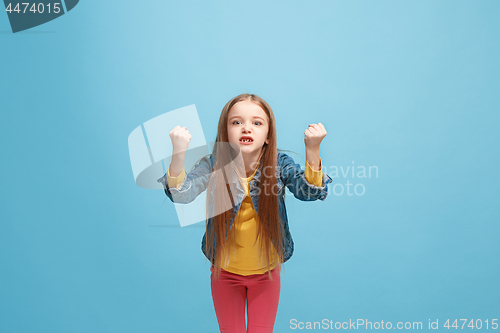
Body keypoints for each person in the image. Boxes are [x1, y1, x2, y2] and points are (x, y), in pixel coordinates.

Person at [157, 93, 332, 333]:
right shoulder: (213, 164)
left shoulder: (280, 164)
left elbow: (309, 192)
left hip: (266, 276)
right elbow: (181, 194)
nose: (246, 128)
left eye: (257, 123)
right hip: (225, 274)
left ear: (268, 135)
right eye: (236, 122)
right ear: (225, 132)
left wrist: (313, 149)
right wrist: (178, 153)